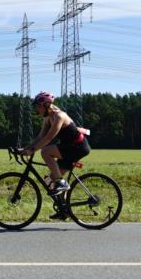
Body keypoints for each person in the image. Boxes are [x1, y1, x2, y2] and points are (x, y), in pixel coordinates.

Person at [20, 91, 91, 219]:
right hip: (68, 148)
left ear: (46, 105)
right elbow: (40, 137)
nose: (37, 109)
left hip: (78, 147)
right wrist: (25, 148)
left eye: (38, 106)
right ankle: (64, 210)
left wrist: (33, 150)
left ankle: (61, 182)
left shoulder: (59, 116)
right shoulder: (48, 118)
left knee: (45, 151)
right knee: (52, 179)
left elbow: (49, 138)